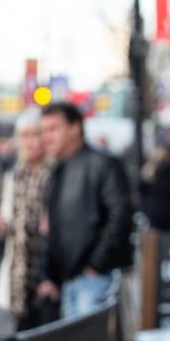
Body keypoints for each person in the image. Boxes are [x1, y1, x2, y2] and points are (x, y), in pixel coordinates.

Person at [38, 102, 133, 319]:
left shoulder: (102, 163)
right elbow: (50, 227)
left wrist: (95, 264)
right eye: (44, 131)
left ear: (75, 128)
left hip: (95, 278)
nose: (47, 137)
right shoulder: (57, 170)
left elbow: (120, 215)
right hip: (69, 279)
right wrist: (49, 275)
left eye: (53, 129)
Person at [0, 108, 57, 329]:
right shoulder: (15, 175)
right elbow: (10, 221)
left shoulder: (55, 173)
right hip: (20, 270)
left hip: (49, 269)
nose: (29, 142)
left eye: (35, 135)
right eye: (24, 136)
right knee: (23, 333)